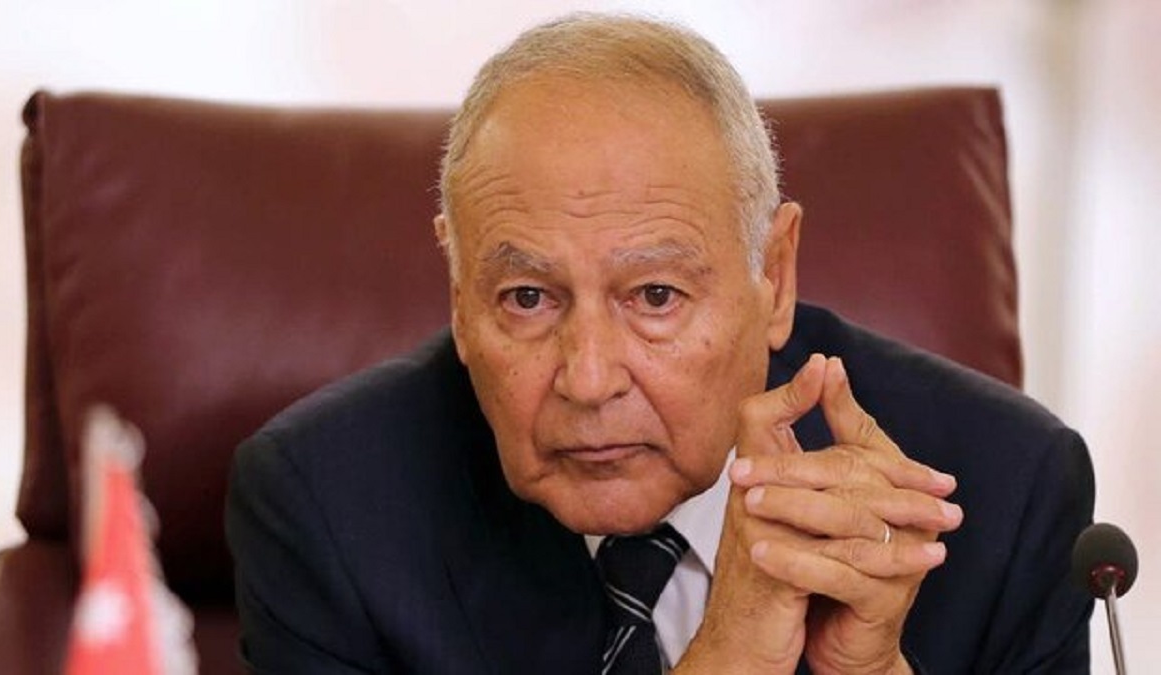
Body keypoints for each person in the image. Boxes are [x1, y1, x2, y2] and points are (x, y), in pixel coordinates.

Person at [226, 13, 1094, 674]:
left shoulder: (1004, 492)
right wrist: (730, 658)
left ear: (774, 276)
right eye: (527, 298)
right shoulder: (328, 507)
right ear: (459, 298)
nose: (589, 378)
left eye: (655, 296)